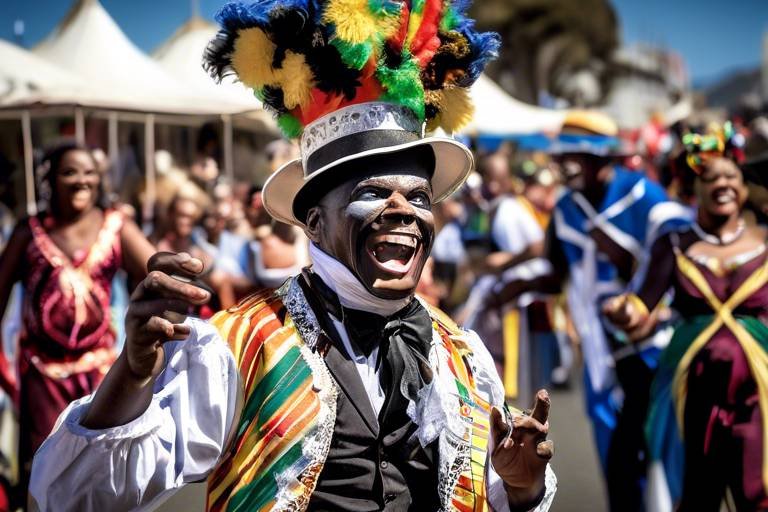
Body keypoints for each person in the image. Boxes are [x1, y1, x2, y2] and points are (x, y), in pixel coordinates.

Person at [29, 1, 557, 511]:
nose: (403, 210)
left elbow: (496, 493)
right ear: (315, 222)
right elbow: (75, 495)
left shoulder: (462, 356)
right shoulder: (238, 348)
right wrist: (133, 372)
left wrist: (523, 487)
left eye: (419, 197)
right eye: (373, 192)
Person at [491, 111, 690, 511]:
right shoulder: (566, 209)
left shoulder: (643, 194)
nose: (564, 165)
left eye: (575, 155)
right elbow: (556, 273)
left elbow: (679, 253)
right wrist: (514, 286)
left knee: (658, 456)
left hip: (650, 351)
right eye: (562, 154)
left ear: (602, 160)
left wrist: (640, 299)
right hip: (599, 357)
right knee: (614, 465)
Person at [605, 123, 768, 511]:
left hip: (758, 393)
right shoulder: (675, 243)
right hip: (694, 392)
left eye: (731, 175)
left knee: (758, 494)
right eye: (710, 177)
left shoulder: (765, 240)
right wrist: (624, 311)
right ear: (693, 188)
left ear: (744, 186)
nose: (722, 184)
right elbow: (642, 308)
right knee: (697, 495)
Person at [0, 142, 155, 503]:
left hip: (100, 374)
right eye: (70, 172)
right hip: (43, 375)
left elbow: (155, 269)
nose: (81, 181)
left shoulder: (115, 224)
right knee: (46, 469)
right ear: (49, 180)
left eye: (89, 173)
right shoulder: (29, 231)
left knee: (101, 466)